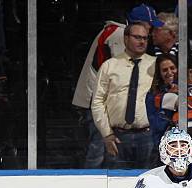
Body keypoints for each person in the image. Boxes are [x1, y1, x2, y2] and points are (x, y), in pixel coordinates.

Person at [71, 4, 163, 168]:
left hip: (96, 98)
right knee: (100, 150)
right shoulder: (120, 35)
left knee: (101, 151)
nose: (150, 31)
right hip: (100, 101)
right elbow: (124, 74)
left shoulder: (114, 30)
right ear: (140, 24)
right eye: (150, 26)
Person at [90, 22, 156, 169]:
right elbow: (98, 101)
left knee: (148, 182)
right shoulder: (110, 65)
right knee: (116, 182)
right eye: (137, 37)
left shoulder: (155, 64)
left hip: (148, 136)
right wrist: (107, 134)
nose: (142, 41)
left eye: (145, 38)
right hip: (118, 136)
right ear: (126, 39)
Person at [145, 53, 177, 148]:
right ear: (159, 73)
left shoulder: (189, 88)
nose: (169, 72)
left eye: (172, 68)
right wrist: (168, 98)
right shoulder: (152, 95)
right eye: (164, 70)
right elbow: (156, 124)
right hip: (162, 144)